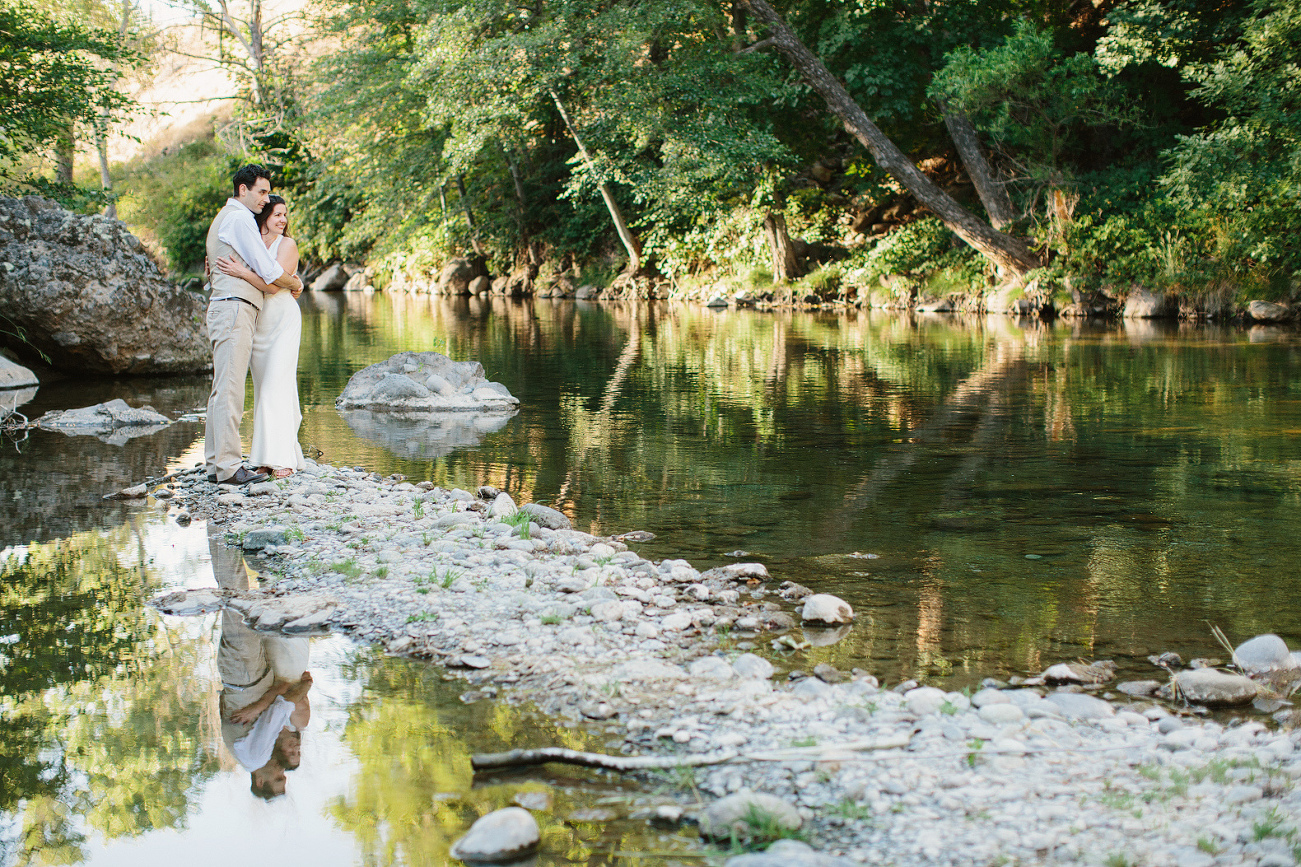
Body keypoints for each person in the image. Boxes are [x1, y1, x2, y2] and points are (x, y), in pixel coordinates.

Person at [203, 164, 302, 486]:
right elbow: (267, 270)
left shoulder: (228, 218)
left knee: (222, 389)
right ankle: (230, 468)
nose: (265, 199)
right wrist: (295, 283)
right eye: (261, 192)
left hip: (232, 308)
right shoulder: (240, 218)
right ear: (243, 190)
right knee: (230, 390)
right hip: (234, 308)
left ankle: (215, 463)